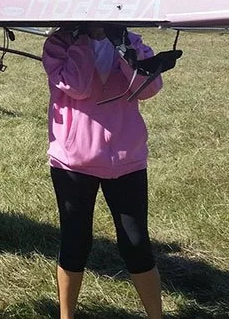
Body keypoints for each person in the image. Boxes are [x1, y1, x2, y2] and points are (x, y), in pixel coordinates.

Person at [42, 24, 165, 319]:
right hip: (74, 161)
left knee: (136, 243)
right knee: (75, 241)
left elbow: (149, 88)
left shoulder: (130, 40)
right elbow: (77, 87)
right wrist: (84, 42)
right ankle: (66, 316)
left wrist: (123, 48)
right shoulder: (58, 44)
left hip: (127, 159)